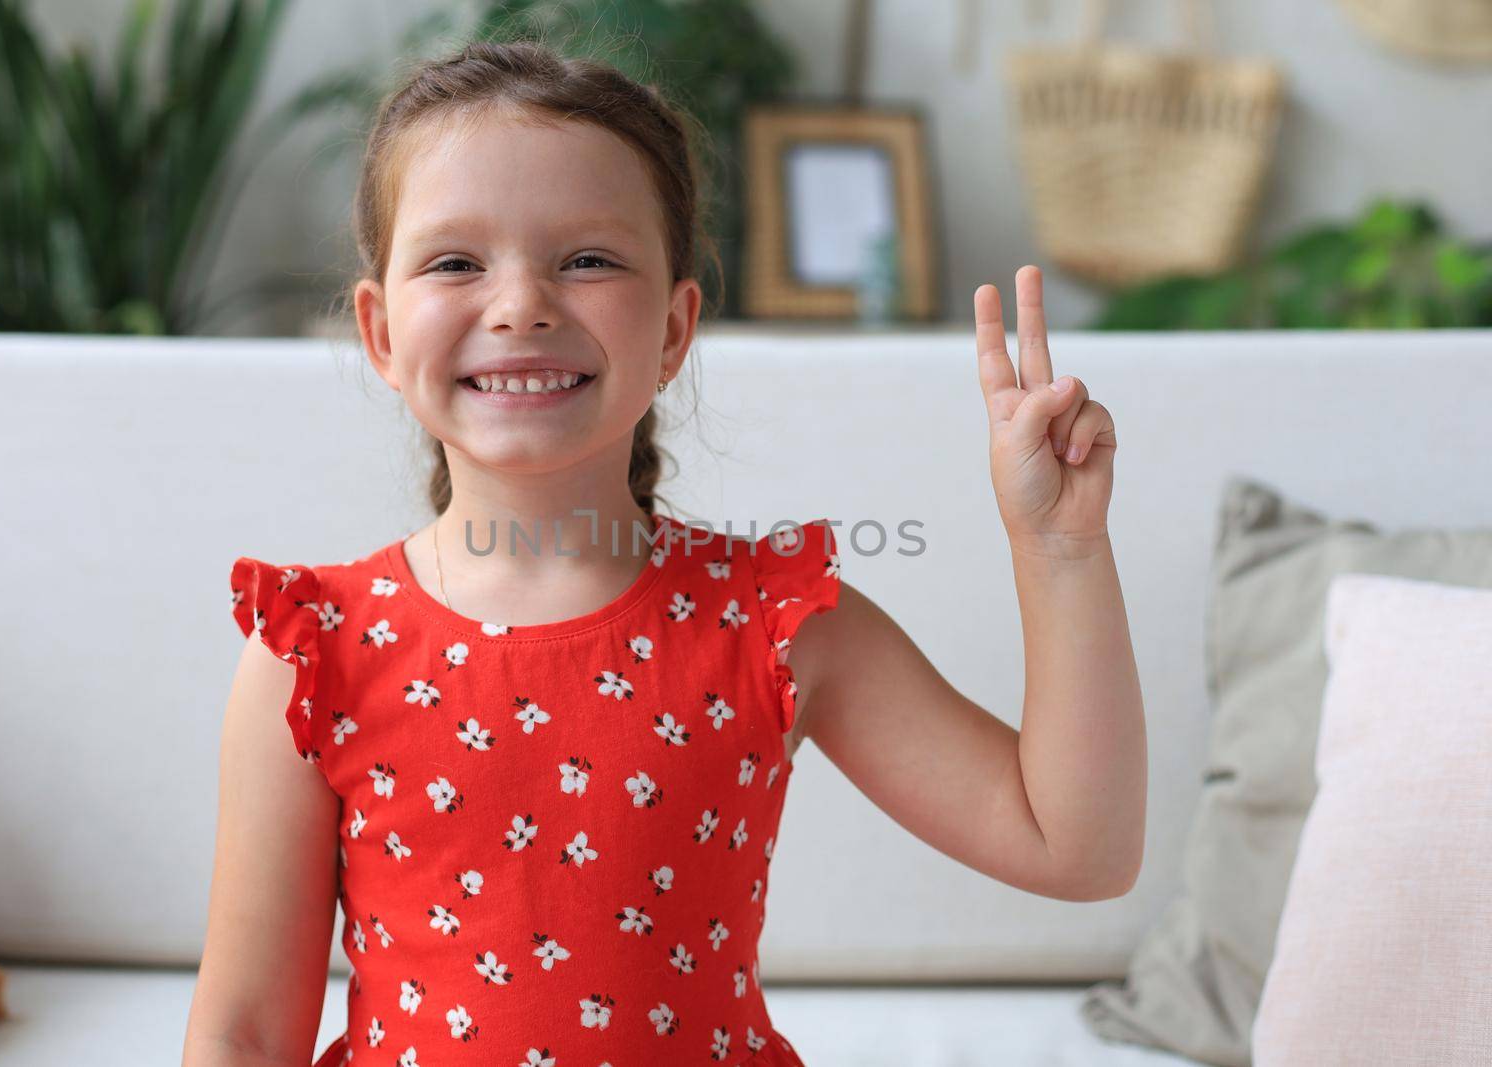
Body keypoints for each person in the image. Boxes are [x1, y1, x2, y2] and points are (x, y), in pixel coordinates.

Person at [182, 37, 1145, 1067]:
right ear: (379, 332)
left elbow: (1074, 846)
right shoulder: (311, 651)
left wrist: (1059, 547)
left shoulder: (779, 624)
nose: (521, 306)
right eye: (456, 261)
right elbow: (244, 1034)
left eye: (587, 259)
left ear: (675, 327)